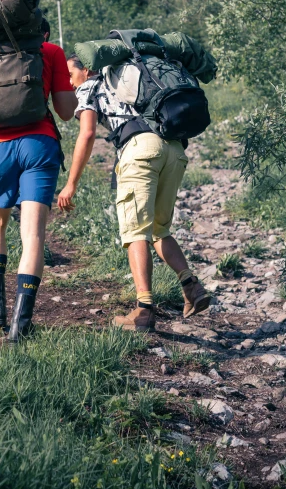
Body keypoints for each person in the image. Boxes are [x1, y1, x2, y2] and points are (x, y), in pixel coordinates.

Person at [57, 54, 211, 332]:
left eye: (70, 74)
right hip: (173, 149)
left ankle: (143, 310)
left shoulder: (89, 87)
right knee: (158, 230)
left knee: (135, 231)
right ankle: (191, 286)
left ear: (87, 69)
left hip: (139, 150)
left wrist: (71, 183)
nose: (69, 81)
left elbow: (88, 133)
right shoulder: (127, 79)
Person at [0, 18, 77, 342]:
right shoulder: (51, 51)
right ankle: (20, 326)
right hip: (39, 144)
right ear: (42, 34)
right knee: (32, 236)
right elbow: (65, 110)